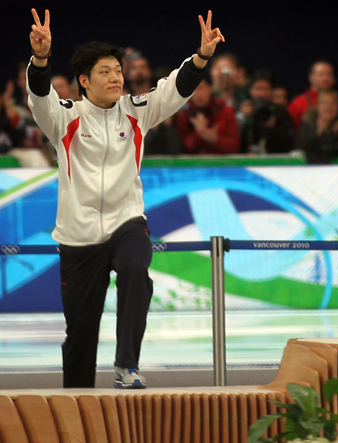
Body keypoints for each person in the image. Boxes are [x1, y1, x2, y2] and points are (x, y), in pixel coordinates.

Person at [26, 8, 224, 388]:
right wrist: (40, 59)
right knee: (80, 337)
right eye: (105, 71)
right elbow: (39, 97)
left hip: (126, 221)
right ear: (84, 81)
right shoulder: (65, 118)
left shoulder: (136, 113)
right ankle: (77, 406)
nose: (115, 76)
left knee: (136, 268)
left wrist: (200, 58)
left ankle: (126, 365)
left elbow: (174, 89)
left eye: (118, 70)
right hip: (78, 237)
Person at [174, 73, 240, 154]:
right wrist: (199, 133)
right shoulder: (183, 115)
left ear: (210, 88)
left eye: (201, 88)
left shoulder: (226, 111)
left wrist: (215, 139)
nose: (198, 94)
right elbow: (184, 148)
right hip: (193, 165)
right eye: (193, 89)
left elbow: (234, 146)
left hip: (222, 164)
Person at [287, 60, 338, 133]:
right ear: (310, 77)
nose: (325, 78)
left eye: (329, 74)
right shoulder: (298, 103)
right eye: (321, 74)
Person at [295, 89, 338, 164]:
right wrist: (318, 132)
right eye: (324, 103)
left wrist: (336, 133)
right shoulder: (308, 122)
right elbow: (301, 147)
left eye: (333, 103)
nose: (328, 107)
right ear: (317, 106)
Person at [238, 75, 294, 154]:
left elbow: (289, 144)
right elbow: (234, 139)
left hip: (272, 158)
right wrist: (242, 117)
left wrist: (272, 128)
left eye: (266, 89)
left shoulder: (281, 112)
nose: (262, 94)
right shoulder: (243, 109)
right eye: (258, 89)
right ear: (251, 91)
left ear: (272, 91)